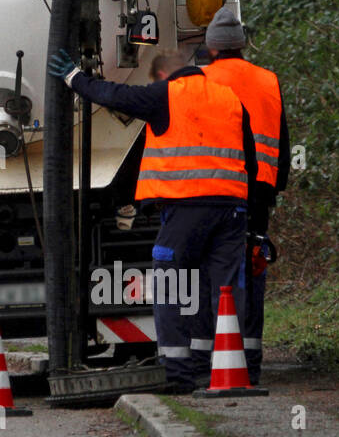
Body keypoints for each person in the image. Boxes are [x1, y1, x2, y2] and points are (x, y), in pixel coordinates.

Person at [50, 48, 257, 393]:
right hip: (232, 208)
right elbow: (248, 156)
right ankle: (225, 370)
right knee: (222, 288)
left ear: (161, 76)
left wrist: (75, 78)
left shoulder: (166, 94)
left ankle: (177, 372)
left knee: (171, 283)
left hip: (186, 208)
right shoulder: (230, 98)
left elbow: (115, 95)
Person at [199, 6, 288, 386]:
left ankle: (211, 360)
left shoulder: (200, 79)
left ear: (212, 48)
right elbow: (282, 141)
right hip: (258, 193)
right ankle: (250, 362)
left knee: (212, 274)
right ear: (242, 45)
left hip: (214, 190)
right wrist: (273, 187)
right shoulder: (268, 80)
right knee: (252, 271)